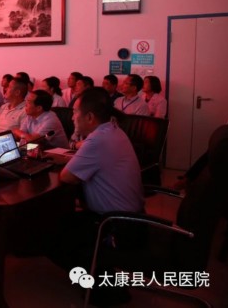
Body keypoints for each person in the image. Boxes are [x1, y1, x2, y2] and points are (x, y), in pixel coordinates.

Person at [50, 87, 144, 305]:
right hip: (132, 218)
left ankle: (103, 287)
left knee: (48, 233)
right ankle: (100, 276)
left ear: (90, 117)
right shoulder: (111, 130)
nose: (72, 117)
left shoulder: (98, 140)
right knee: (62, 223)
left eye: (75, 112)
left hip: (115, 225)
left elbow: (66, 177)